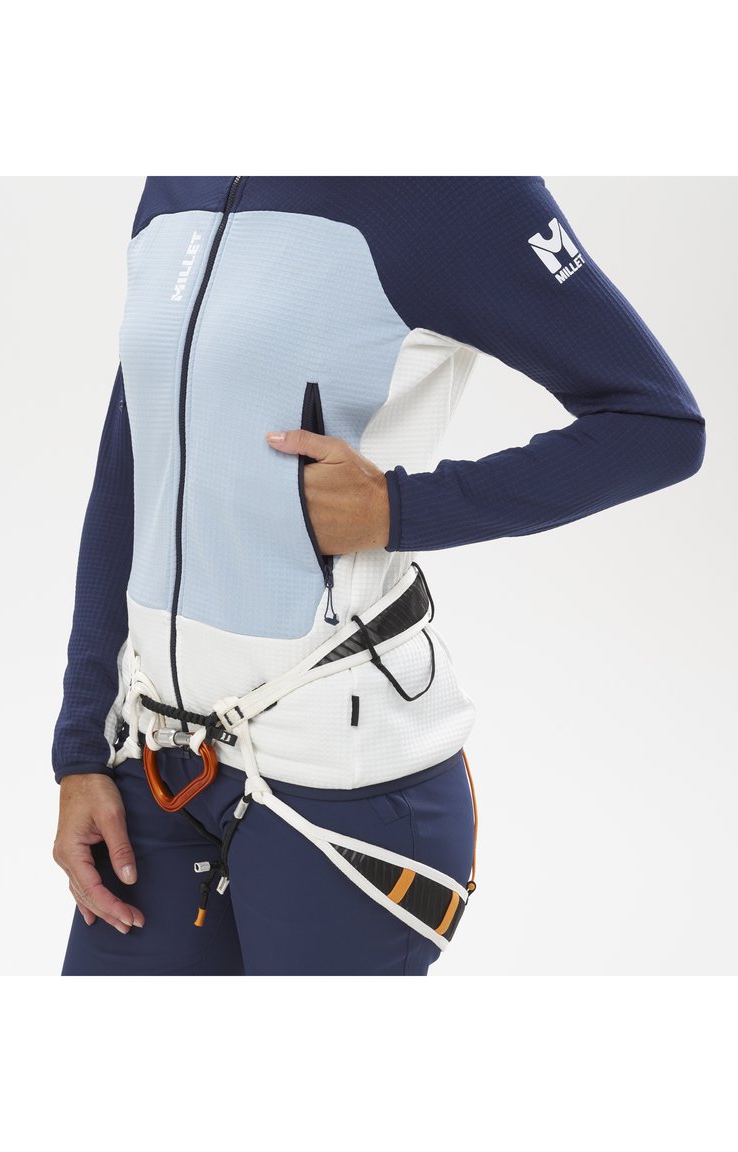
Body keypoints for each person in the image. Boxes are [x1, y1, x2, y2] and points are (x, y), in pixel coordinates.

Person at [52, 176, 706, 976]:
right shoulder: (176, 181)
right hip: (158, 762)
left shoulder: (457, 187)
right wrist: (80, 749)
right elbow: (130, 465)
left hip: (343, 786)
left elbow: (656, 423)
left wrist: (397, 509)